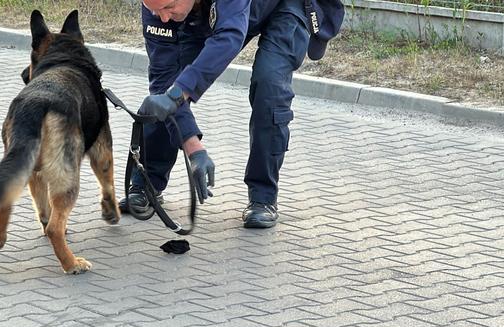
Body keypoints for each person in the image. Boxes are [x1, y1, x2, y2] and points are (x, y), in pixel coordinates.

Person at [119, 0, 344, 228]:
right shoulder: (158, 11)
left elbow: (229, 37)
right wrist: (194, 148)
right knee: (164, 95)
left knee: (269, 86)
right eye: (154, 10)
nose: (163, 17)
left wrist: (179, 93)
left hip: (286, 5)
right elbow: (164, 79)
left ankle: (263, 198)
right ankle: (148, 183)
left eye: (169, 7)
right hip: (209, 13)